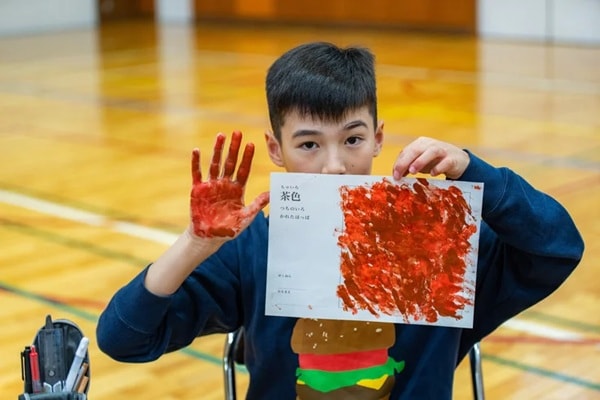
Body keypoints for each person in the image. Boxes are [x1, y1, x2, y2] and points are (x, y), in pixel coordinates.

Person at [96, 42, 584, 399]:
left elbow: (557, 249)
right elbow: (123, 338)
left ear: (378, 138)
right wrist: (195, 244)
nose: (334, 166)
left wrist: (475, 174)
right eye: (309, 144)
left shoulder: (437, 237)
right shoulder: (254, 245)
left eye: (352, 140)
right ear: (276, 150)